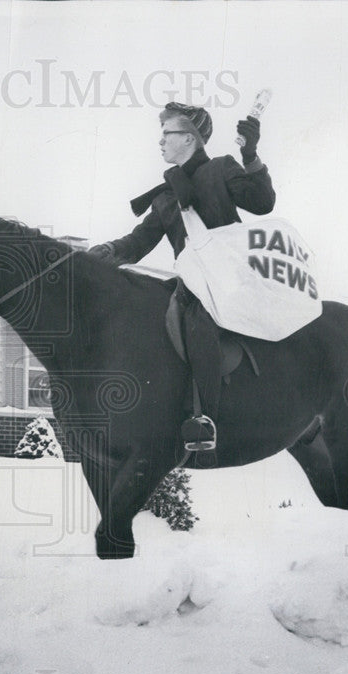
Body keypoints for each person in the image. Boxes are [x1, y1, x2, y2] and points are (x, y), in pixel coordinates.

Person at [88, 102, 275, 451]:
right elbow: (139, 242)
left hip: (227, 281)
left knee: (197, 316)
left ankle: (206, 419)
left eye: (166, 134)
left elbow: (263, 202)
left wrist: (250, 153)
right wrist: (107, 252)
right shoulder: (165, 197)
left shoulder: (222, 169)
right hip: (190, 280)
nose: (160, 142)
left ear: (189, 139)